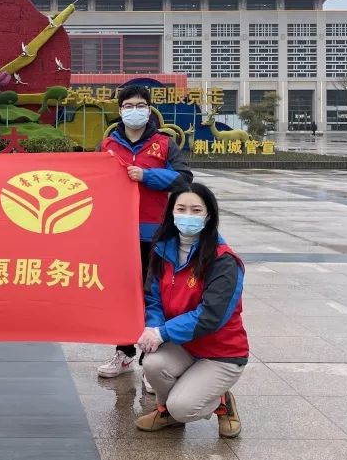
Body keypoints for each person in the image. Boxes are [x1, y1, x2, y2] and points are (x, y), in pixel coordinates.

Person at [133, 182, 247, 438]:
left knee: (182, 407)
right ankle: (166, 412)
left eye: (196, 210)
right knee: (153, 364)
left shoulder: (223, 260)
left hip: (221, 353)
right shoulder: (162, 250)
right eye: (181, 209)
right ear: (171, 212)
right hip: (183, 345)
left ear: (209, 215)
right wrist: (152, 327)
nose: (188, 216)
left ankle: (221, 401)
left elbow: (210, 316)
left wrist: (162, 333)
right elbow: (153, 298)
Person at [97, 85, 192, 385]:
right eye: (128, 106)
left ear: (149, 110)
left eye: (140, 105)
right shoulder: (108, 145)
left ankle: (152, 362)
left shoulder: (164, 144)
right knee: (124, 294)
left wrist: (147, 176)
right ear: (120, 110)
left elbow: (184, 179)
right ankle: (124, 353)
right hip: (119, 235)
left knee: (155, 295)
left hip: (156, 235)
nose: (134, 111)